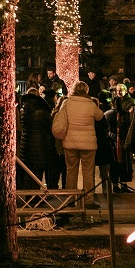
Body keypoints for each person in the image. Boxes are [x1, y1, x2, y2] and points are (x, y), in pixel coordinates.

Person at [58, 81, 103, 209]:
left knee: (71, 171)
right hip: (88, 144)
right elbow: (100, 116)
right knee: (88, 172)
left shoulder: (67, 103)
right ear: (86, 90)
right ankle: (88, 200)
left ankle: (70, 199)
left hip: (70, 142)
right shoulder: (90, 104)